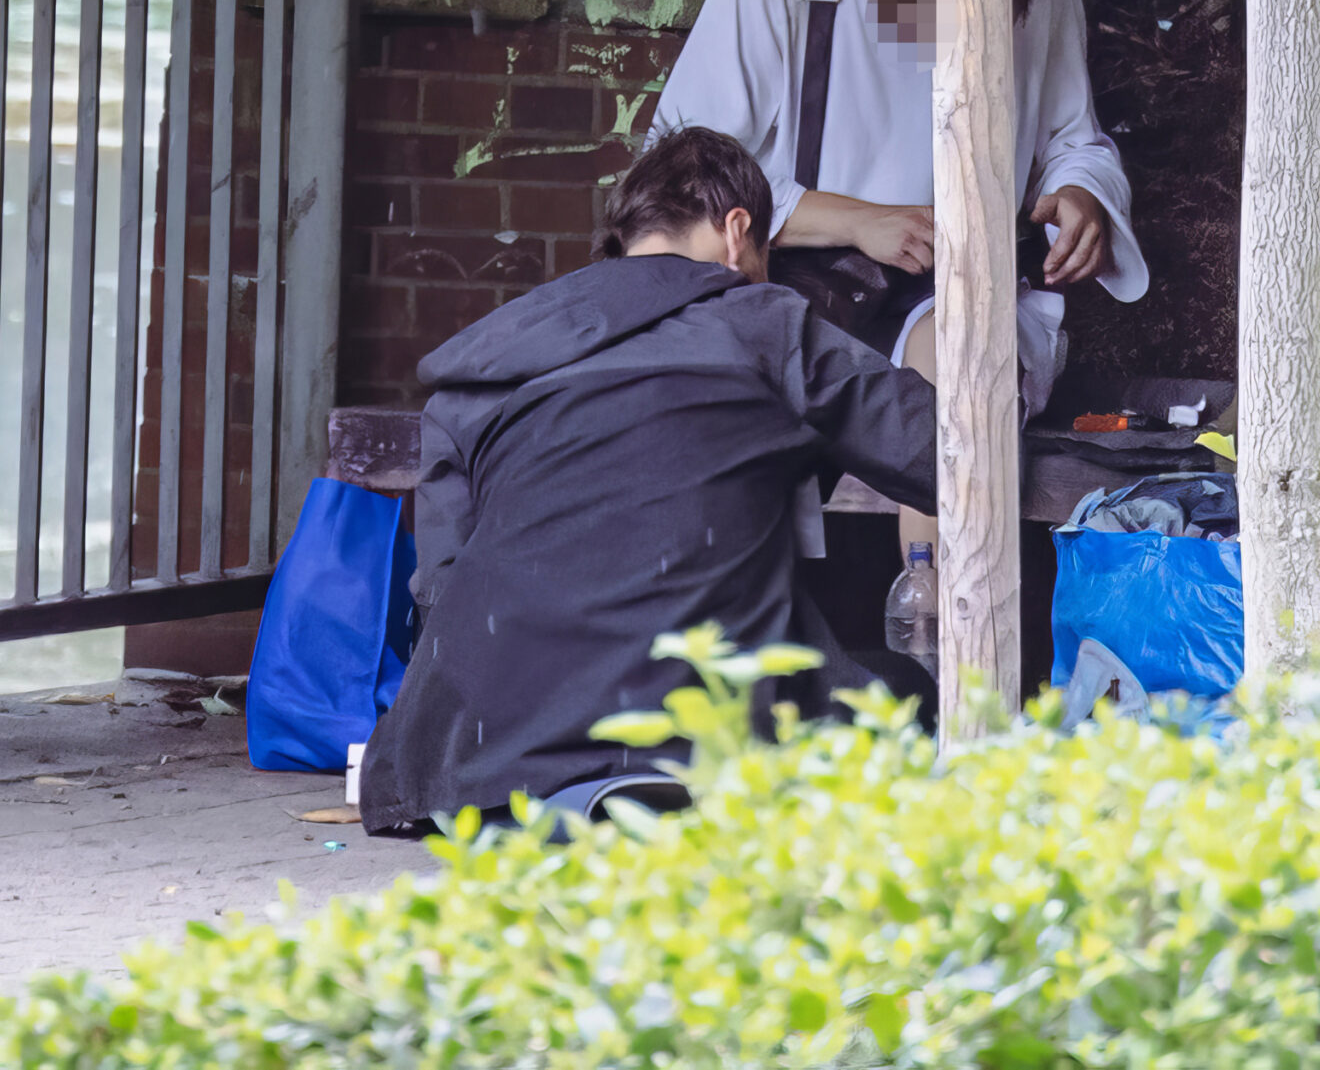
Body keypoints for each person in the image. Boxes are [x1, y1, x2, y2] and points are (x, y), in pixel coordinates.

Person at [359, 126, 937, 834]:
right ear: (736, 232)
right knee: (904, 689)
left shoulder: (483, 366)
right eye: (762, 259)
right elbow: (942, 453)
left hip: (478, 760)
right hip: (691, 742)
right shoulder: (762, 321)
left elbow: (441, 585)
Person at [649, 0, 1148, 418]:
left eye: (983, 34)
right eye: (931, 27)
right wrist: (858, 221)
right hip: (796, 285)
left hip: (955, 291)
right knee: (739, 414)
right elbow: (680, 182)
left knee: (956, 405)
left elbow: (1072, 141)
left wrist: (1082, 195)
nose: (955, 59)